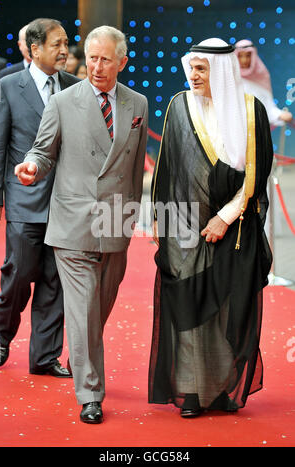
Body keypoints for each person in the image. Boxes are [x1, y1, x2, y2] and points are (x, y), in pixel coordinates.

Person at [15, 25, 148, 424]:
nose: (97, 66)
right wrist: (33, 166)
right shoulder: (62, 101)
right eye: (91, 57)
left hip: (117, 224)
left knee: (97, 309)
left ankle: (80, 350)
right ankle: (91, 393)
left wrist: (136, 219)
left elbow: (137, 163)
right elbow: (43, 149)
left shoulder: (137, 103)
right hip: (74, 224)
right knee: (84, 308)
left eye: (106, 59)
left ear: (122, 62)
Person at [149, 38, 273, 418]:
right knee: (188, 305)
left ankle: (219, 389)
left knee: (226, 309)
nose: (194, 75)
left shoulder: (250, 110)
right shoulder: (179, 104)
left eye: (202, 69)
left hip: (235, 229)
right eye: (192, 67)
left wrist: (225, 218)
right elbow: (167, 168)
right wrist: (162, 220)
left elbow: (257, 172)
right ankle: (189, 391)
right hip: (185, 228)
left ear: (220, 71)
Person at [0, 18, 80, 375]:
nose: (65, 51)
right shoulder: (7, 86)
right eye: (57, 45)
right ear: (35, 49)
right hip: (23, 197)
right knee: (19, 274)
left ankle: (45, 357)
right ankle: (0, 334)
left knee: (54, 280)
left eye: (66, 44)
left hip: (65, 203)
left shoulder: (75, 87)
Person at [235, 39, 292, 127]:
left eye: (248, 56)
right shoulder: (231, 76)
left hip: (256, 129)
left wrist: (279, 115)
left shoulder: (262, 75)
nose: (244, 60)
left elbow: (267, 108)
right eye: (240, 56)